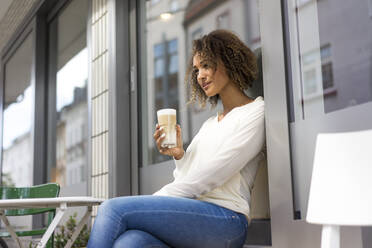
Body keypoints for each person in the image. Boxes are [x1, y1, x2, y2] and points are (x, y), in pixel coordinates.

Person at [87, 29, 265, 248]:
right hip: (194, 215)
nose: (199, 75)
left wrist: (156, 200)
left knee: (112, 209)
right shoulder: (210, 124)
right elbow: (188, 176)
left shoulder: (256, 111)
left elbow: (212, 175)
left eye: (206, 65)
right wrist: (180, 156)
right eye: (197, 69)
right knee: (130, 242)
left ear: (228, 61)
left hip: (227, 220)